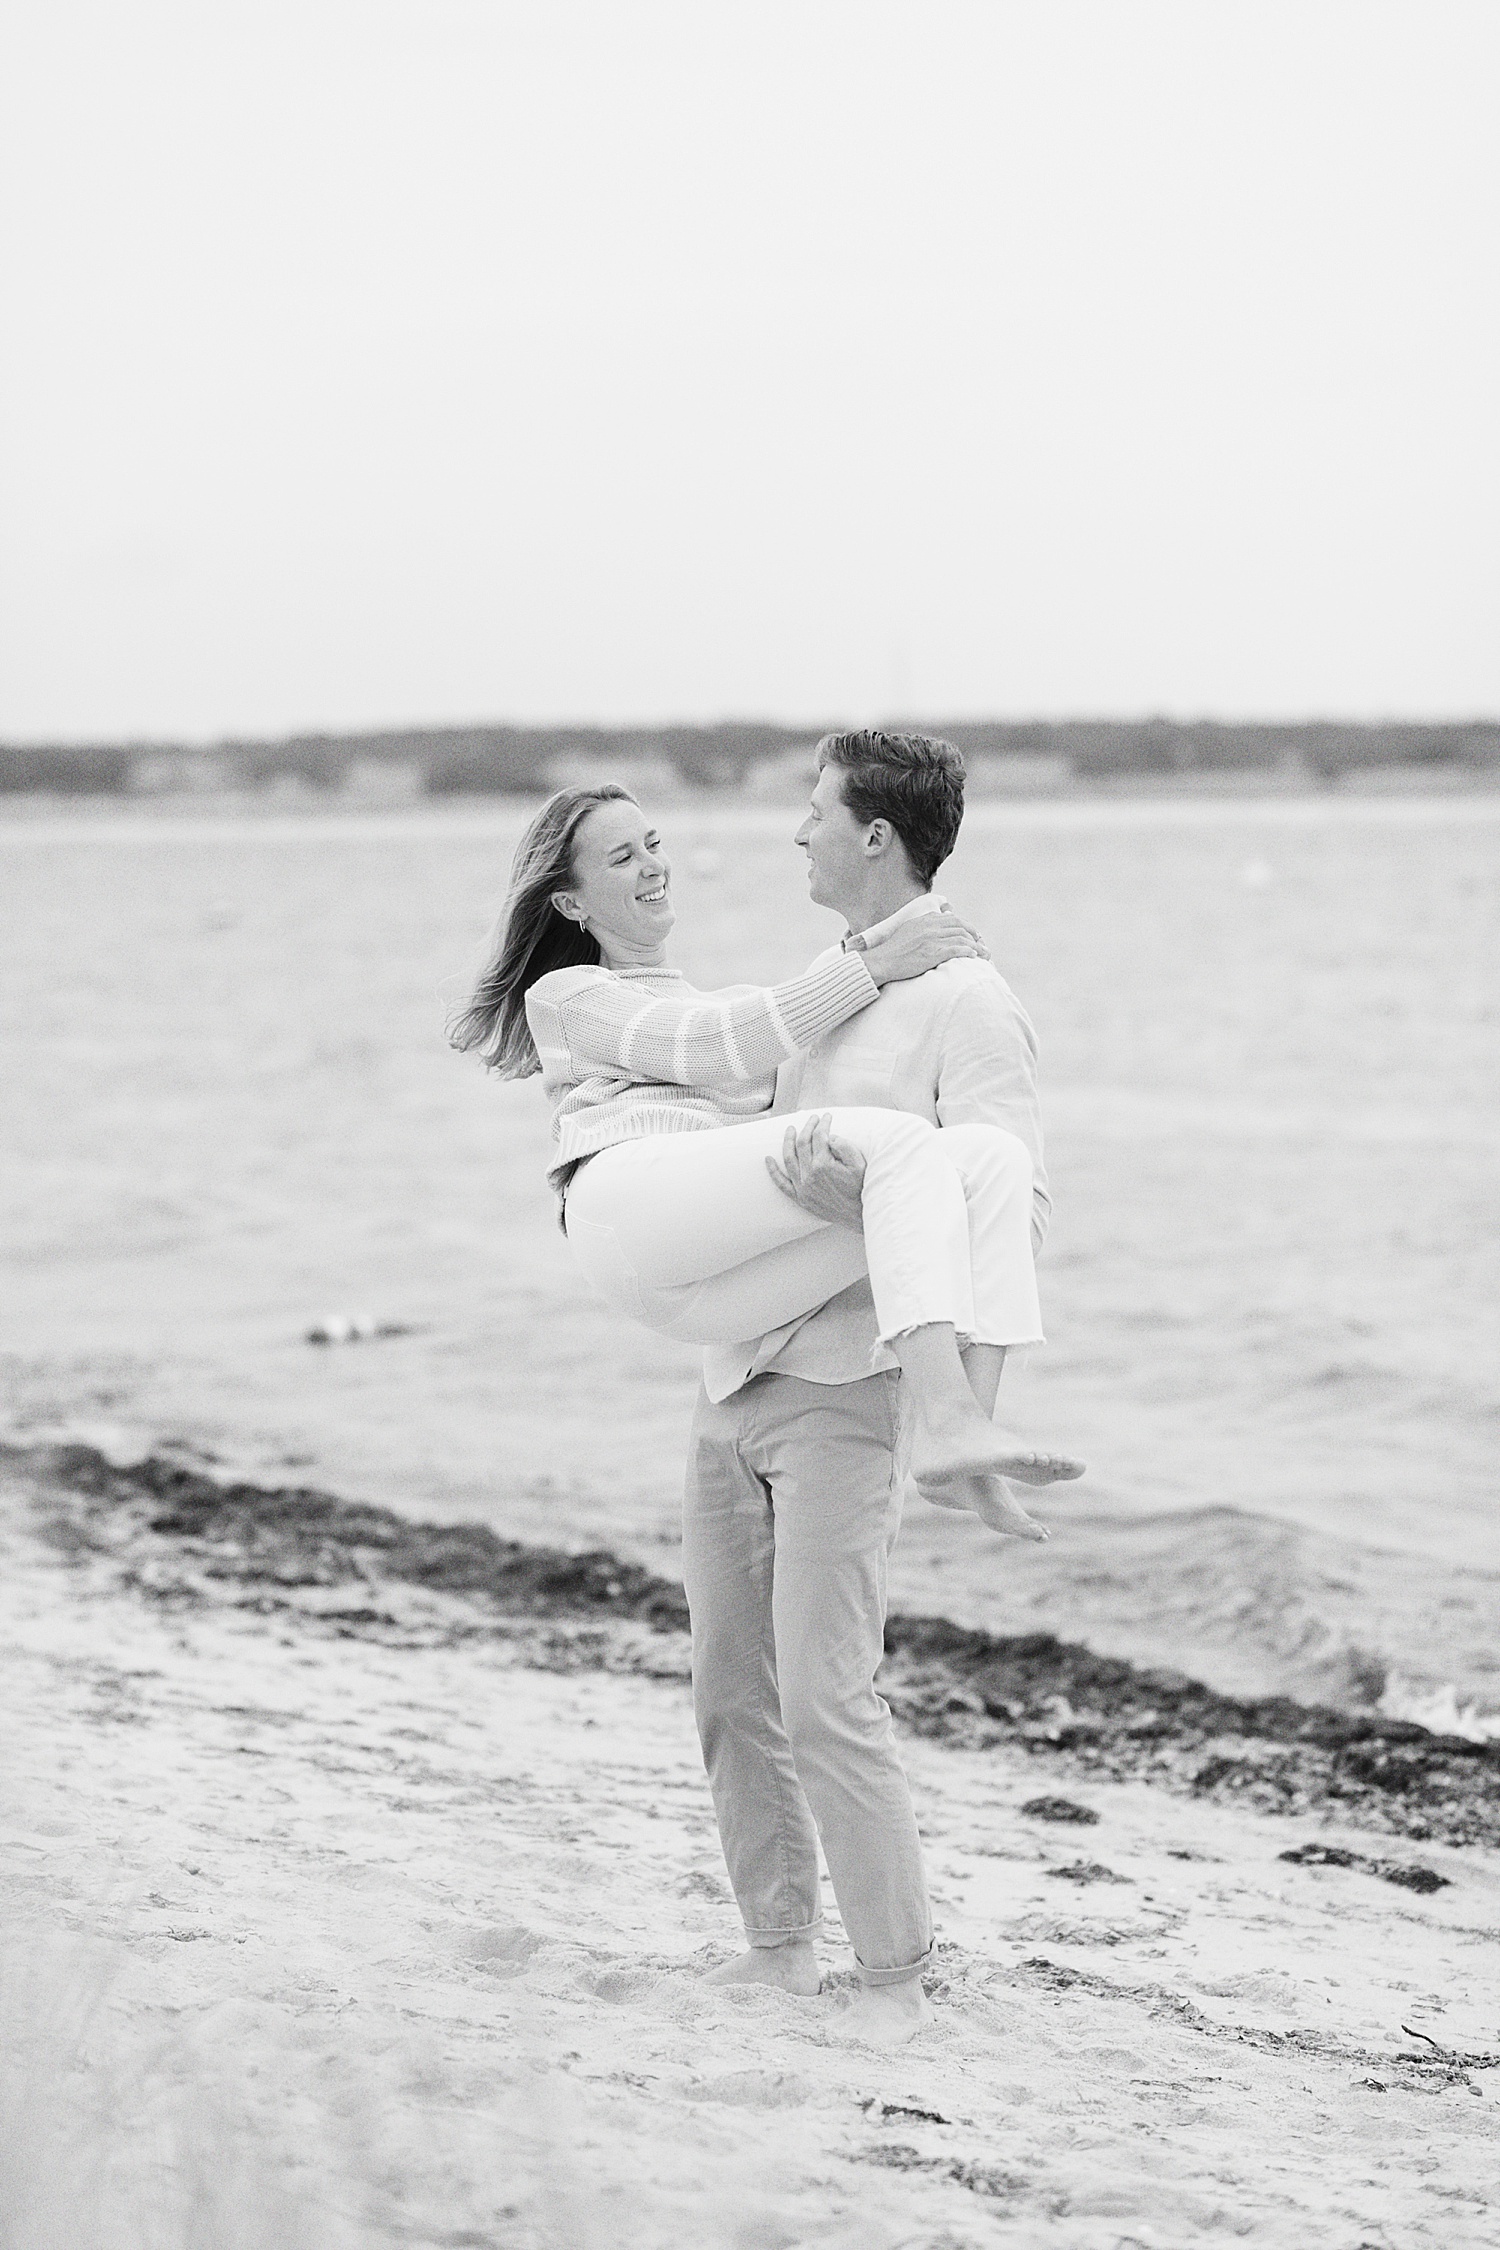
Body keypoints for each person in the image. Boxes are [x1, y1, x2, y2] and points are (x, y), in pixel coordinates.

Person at [677, 730, 1064, 2045]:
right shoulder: (830, 983)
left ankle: (895, 1973)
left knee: (827, 1689)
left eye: (814, 808)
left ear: (875, 837)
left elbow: (1009, 1190)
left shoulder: (969, 1001)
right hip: (735, 1378)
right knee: (730, 1685)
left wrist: (966, 1410)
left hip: (851, 1383)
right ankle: (780, 1949)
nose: (797, 830)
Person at [449, 781, 1082, 1511]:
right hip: (623, 1206)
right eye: (623, 857)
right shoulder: (569, 996)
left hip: (711, 1292)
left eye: (654, 845)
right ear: (571, 903)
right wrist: (876, 961)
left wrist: (900, 944)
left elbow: (773, 1023)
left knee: (986, 1159)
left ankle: (969, 1436)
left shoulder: (726, 1001)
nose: (654, 865)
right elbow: (717, 1048)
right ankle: (944, 1420)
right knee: (899, 1145)